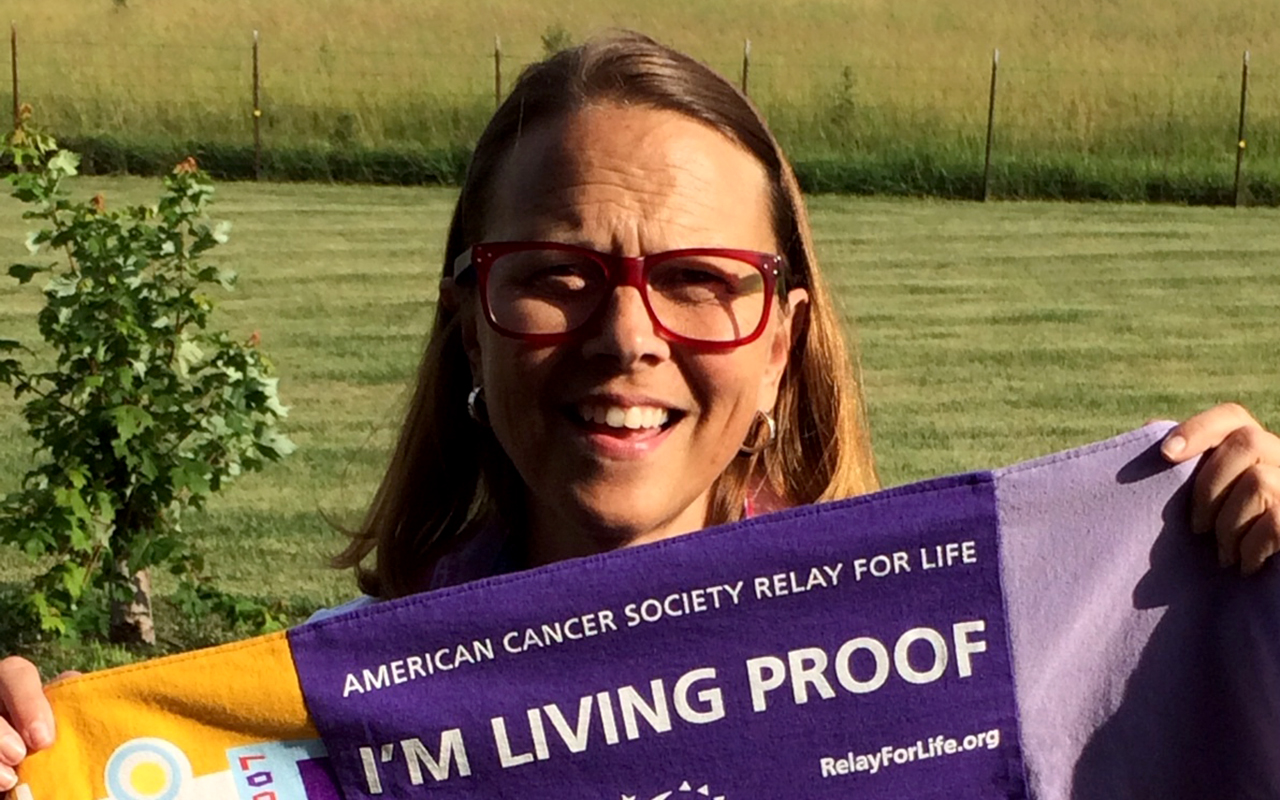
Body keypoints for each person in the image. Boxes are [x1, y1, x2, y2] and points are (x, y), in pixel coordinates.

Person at [1, 31, 1278, 793]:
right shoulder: (325, 722)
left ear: (780, 343)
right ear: (469, 320)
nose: (626, 338)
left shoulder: (977, 656)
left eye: (700, 283)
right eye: (554, 279)